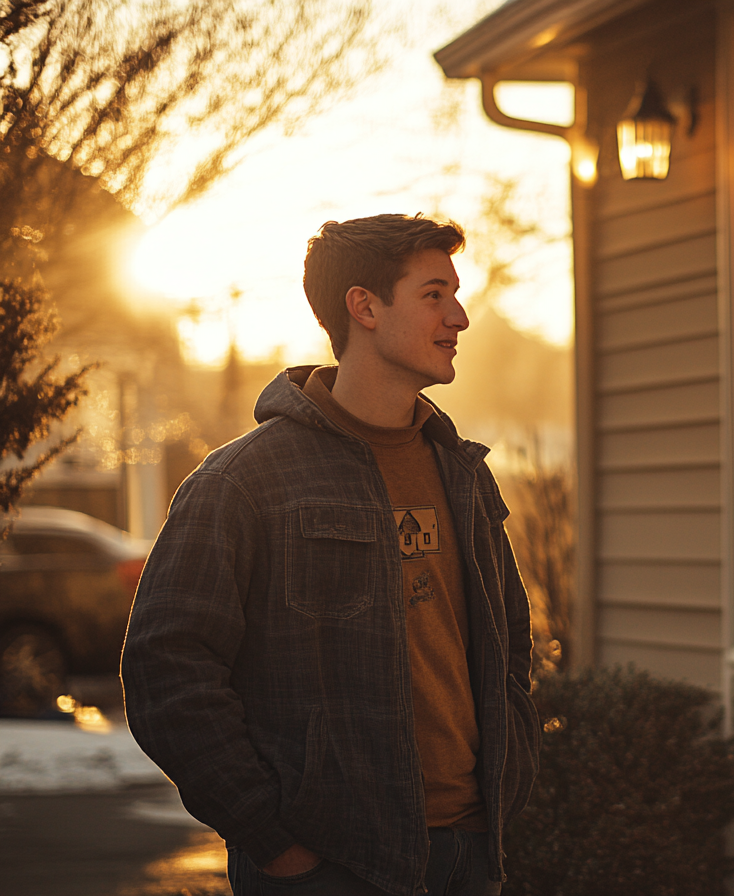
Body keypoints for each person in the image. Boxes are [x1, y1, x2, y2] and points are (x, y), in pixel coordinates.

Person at [122, 213, 540, 896]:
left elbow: (509, 643)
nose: (459, 317)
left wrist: (511, 765)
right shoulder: (243, 482)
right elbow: (168, 672)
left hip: (469, 853)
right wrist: (275, 844)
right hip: (327, 865)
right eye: (434, 294)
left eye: (455, 295)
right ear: (364, 306)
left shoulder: (464, 475)